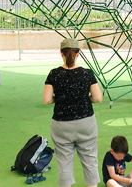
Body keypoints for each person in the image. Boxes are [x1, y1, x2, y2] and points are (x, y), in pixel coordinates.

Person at [44, 38, 103, 187]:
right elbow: (98, 98)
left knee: (64, 163)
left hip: (61, 125)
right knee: (90, 160)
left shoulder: (54, 74)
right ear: (78, 53)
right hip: (86, 123)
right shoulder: (87, 73)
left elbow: (46, 99)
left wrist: (60, 99)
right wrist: (83, 99)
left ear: (61, 53)